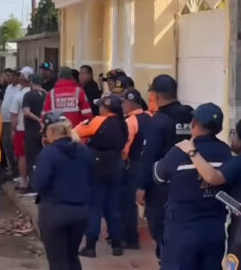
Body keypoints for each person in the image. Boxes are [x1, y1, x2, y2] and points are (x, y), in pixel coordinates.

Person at [153, 103, 231, 270]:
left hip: (182, 231)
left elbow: (158, 176)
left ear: (194, 123)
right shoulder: (226, 152)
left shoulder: (179, 152)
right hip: (214, 231)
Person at [135, 74, 194, 262]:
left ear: (156, 96)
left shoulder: (159, 121)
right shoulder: (192, 116)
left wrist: (141, 186)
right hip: (191, 183)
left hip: (162, 186)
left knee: (161, 231)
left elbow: (148, 156)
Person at [176, 120, 241, 262]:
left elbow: (212, 177)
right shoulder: (229, 156)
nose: (232, 137)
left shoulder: (237, 163)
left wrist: (191, 151)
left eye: (234, 134)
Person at [33, 112, 93, 270]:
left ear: (51, 132)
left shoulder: (48, 153)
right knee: (72, 257)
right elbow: (92, 177)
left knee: (58, 261)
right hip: (80, 211)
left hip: (55, 212)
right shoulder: (84, 151)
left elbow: (39, 184)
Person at [75, 95, 129, 257]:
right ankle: (117, 245)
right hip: (116, 165)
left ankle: (90, 246)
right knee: (113, 206)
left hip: (97, 166)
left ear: (106, 108)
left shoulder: (99, 121)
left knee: (94, 206)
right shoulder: (123, 124)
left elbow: (76, 133)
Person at [119, 88, 152, 250]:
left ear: (131, 103)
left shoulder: (130, 121)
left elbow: (125, 148)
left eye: (124, 102)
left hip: (135, 165)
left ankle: (130, 239)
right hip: (152, 165)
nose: (122, 105)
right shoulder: (151, 116)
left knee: (128, 203)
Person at [22, 73, 46, 196]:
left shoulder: (28, 95)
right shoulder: (47, 94)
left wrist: (38, 120)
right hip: (46, 132)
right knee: (44, 158)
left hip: (32, 131)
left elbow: (26, 112)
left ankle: (33, 186)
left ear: (31, 83)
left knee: (32, 160)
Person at [9, 67, 33, 192]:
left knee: (22, 156)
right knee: (34, 156)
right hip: (35, 130)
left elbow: (13, 116)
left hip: (21, 129)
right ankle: (33, 180)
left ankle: (24, 181)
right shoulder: (41, 93)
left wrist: (13, 131)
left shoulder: (19, 95)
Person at [0, 69, 19, 181]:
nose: (9, 78)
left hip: (12, 122)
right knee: (5, 145)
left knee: (13, 146)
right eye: (8, 75)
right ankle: (11, 167)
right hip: (3, 120)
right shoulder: (9, 87)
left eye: (12, 76)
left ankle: (16, 170)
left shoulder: (20, 88)